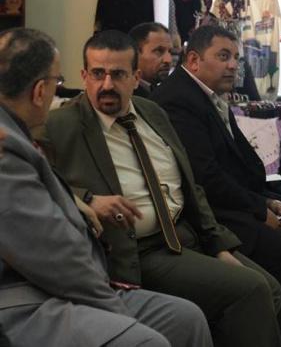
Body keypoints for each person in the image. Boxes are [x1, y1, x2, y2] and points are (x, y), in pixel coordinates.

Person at [39, 30, 281, 347]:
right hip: (140, 250)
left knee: (270, 288)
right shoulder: (61, 124)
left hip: (185, 233)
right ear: (84, 76)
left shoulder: (151, 112)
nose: (107, 85)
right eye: (98, 74)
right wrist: (87, 199)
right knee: (252, 290)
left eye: (118, 75)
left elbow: (191, 185)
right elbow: (35, 181)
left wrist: (218, 244)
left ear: (135, 77)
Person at [0, 28, 211, 347]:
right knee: (147, 341)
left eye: (118, 74)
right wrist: (115, 311)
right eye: (58, 82)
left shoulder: (16, 133)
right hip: (32, 298)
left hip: (81, 276)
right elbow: (52, 251)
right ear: (40, 91)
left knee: (186, 319)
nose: (107, 85)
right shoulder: (9, 145)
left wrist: (78, 200)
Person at [151, 25, 281, 347]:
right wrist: (258, 208)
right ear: (194, 60)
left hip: (227, 194)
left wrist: (265, 200)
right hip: (206, 208)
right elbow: (204, 175)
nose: (233, 65)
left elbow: (241, 159)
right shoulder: (179, 100)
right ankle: (271, 329)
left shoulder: (208, 95)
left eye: (235, 58)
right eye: (223, 56)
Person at [129, 22, 174, 98]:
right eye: (159, 51)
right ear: (135, 54)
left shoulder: (162, 93)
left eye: (170, 52)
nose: (168, 60)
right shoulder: (126, 98)